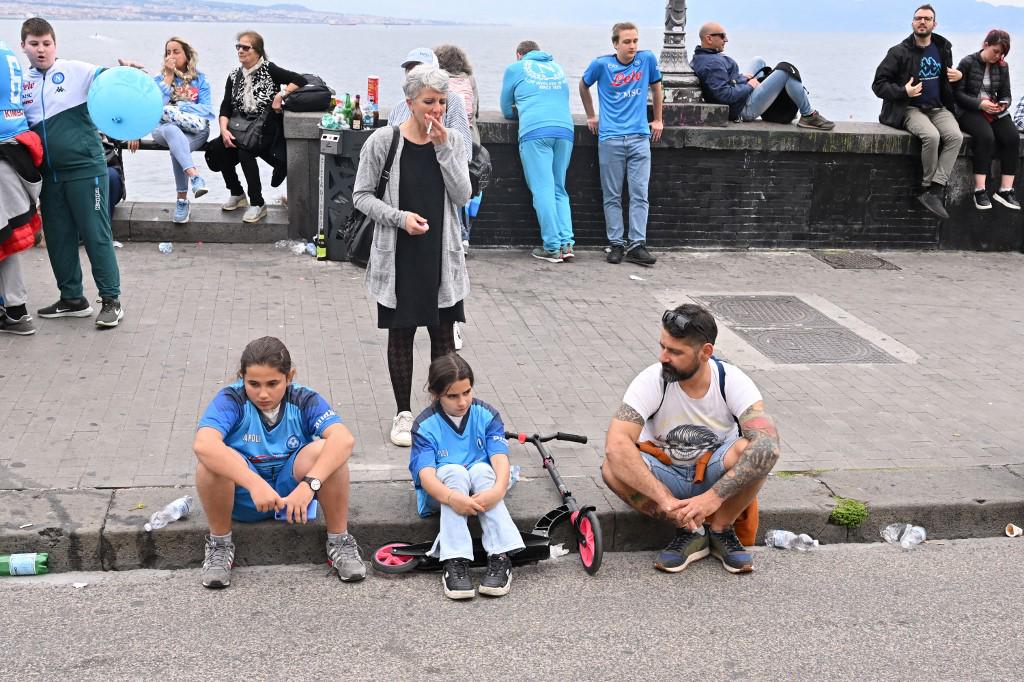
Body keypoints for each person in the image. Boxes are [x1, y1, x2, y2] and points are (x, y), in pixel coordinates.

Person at [602, 303, 780, 575]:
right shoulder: (652, 379)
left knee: (755, 451)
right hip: (665, 475)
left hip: (713, 474)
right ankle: (689, 531)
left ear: (705, 352)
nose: (663, 357)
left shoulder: (731, 381)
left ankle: (721, 530)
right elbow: (616, 444)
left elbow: (769, 446)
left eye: (675, 351)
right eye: (662, 346)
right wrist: (666, 501)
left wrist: (712, 498)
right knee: (611, 468)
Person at [354, 65, 471, 449]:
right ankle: (403, 413)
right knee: (401, 336)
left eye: (441, 102)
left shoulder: (451, 139)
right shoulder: (383, 141)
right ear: (410, 103)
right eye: (428, 102)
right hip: (399, 255)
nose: (435, 109)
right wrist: (399, 219)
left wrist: (443, 148)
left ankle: (443, 409)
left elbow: (463, 195)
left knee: (443, 340)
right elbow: (361, 196)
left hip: (441, 256)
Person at [193, 336, 365, 589]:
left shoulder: (304, 399)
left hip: (295, 497)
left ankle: (339, 541)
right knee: (210, 463)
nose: (263, 393)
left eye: (273, 383)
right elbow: (203, 444)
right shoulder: (231, 399)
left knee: (329, 451)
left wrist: (309, 486)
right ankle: (220, 544)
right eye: (253, 384)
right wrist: (254, 484)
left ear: (289, 376)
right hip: (247, 497)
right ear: (242, 377)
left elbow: (344, 439)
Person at [20, 17, 125, 328]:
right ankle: (72, 299)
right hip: (47, 175)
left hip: (85, 169)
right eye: (34, 44)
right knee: (58, 237)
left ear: (55, 44)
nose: (41, 50)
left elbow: (111, 80)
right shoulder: (22, 83)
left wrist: (127, 72)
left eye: (47, 43)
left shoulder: (76, 70)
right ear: (23, 46)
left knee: (95, 233)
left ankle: (111, 300)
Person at [410, 353, 525, 599]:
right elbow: (428, 476)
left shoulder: (486, 414)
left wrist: (498, 490)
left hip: (482, 490)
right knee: (455, 471)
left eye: (467, 392)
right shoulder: (424, 425)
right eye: (453, 396)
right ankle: (455, 560)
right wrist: (452, 498)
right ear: (435, 393)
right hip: (442, 493)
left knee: (483, 470)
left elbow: (500, 460)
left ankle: (499, 555)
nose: (462, 402)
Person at [580, 22, 663, 267]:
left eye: (635, 40)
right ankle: (616, 243)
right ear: (615, 44)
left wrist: (658, 119)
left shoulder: (646, 60)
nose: (632, 46)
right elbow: (584, 85)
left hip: (639, 137)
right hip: (611, 138)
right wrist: (591, 115)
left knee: (640, 194)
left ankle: (637, 244)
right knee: (612, 195)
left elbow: (657, 89)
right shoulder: (601, 64)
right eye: (627, 42)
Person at [872, 4, 964, 219]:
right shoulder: (898, 52)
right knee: (931, 136)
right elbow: (878, 85)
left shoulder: (942, 48)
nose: (922, 22)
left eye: (927, 19)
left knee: (955, 137)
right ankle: (926, 186)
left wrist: (960, 77)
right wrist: (904, 91)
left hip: (937, 107)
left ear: (934, 23)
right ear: (913, 23)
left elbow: (947, 81)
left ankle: (936, 189)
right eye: (918, 18)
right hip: (909, 108)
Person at [207, 31, 307, 224]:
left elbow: (300, 80)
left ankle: (257, 203)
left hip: (266, 127)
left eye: (246, 47)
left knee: (245, 151)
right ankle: (237, 193)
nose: (241, 51)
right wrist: (224, 130)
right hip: (241, 126)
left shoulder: (270, 69)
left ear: (258, 51)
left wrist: (281, 95)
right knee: (219, 147)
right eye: (238, 47)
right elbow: (225, 106)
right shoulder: (234, 75)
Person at [501, 40, 576, 263]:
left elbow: (505, 108)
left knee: (543, 189)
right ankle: (567, 243)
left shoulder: (515, 68)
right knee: (559, 188)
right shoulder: (558, 68)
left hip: (535, 131)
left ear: (519, 55)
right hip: (565, 129)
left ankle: (552, 247)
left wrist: (522, 112)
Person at [126, 37, 213, 224]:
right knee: (173, 130)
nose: (171, 56)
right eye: (168, 52)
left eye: (176, 51)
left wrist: (180, 107)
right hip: (164, 129)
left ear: (187, 55)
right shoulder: (158, 80)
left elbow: (208, 110)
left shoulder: (200, 80)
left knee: (177, 147)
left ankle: (182, 201)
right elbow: (151, 108)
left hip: (195, 131)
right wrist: (168, 78)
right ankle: (195, 178)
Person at [690, 22, 834, 130]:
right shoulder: (711, 64)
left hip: (740, 97)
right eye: (722, 36)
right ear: (709, 39)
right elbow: (725, 95)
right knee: (785, 70)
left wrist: (743, 78)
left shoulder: (704, 56)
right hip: (743, 109)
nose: (726, 39)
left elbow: (725, 81)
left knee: (758, 61)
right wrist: (748, 85)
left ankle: (773, 97)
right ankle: (808, 115)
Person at [0, 39, 41, 336]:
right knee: (4, 235)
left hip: (3, 151)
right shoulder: (5, 50)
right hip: (16, 149)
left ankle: (15, 311)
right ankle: (13, 309)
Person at [954, 29, 1019, 211]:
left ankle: (1005, 190)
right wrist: (979, 104)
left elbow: (1006, 93)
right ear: (986, 45)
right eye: (995, 51)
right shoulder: (967, 62)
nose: (998, 56)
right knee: (986, 137)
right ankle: (979, 190)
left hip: (992, 109)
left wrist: (1003, 105)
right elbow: (957, 94)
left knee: (1012, 137)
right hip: (969, 109)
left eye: (1002, 53)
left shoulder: (1002, 66)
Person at [388, 48, 473, 165]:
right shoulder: (399, 107)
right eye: (410, 69)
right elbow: (388, 150)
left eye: (420, 68)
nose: (413, 74)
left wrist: (442, 145)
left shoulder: (453, 101)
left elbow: (465, 154)